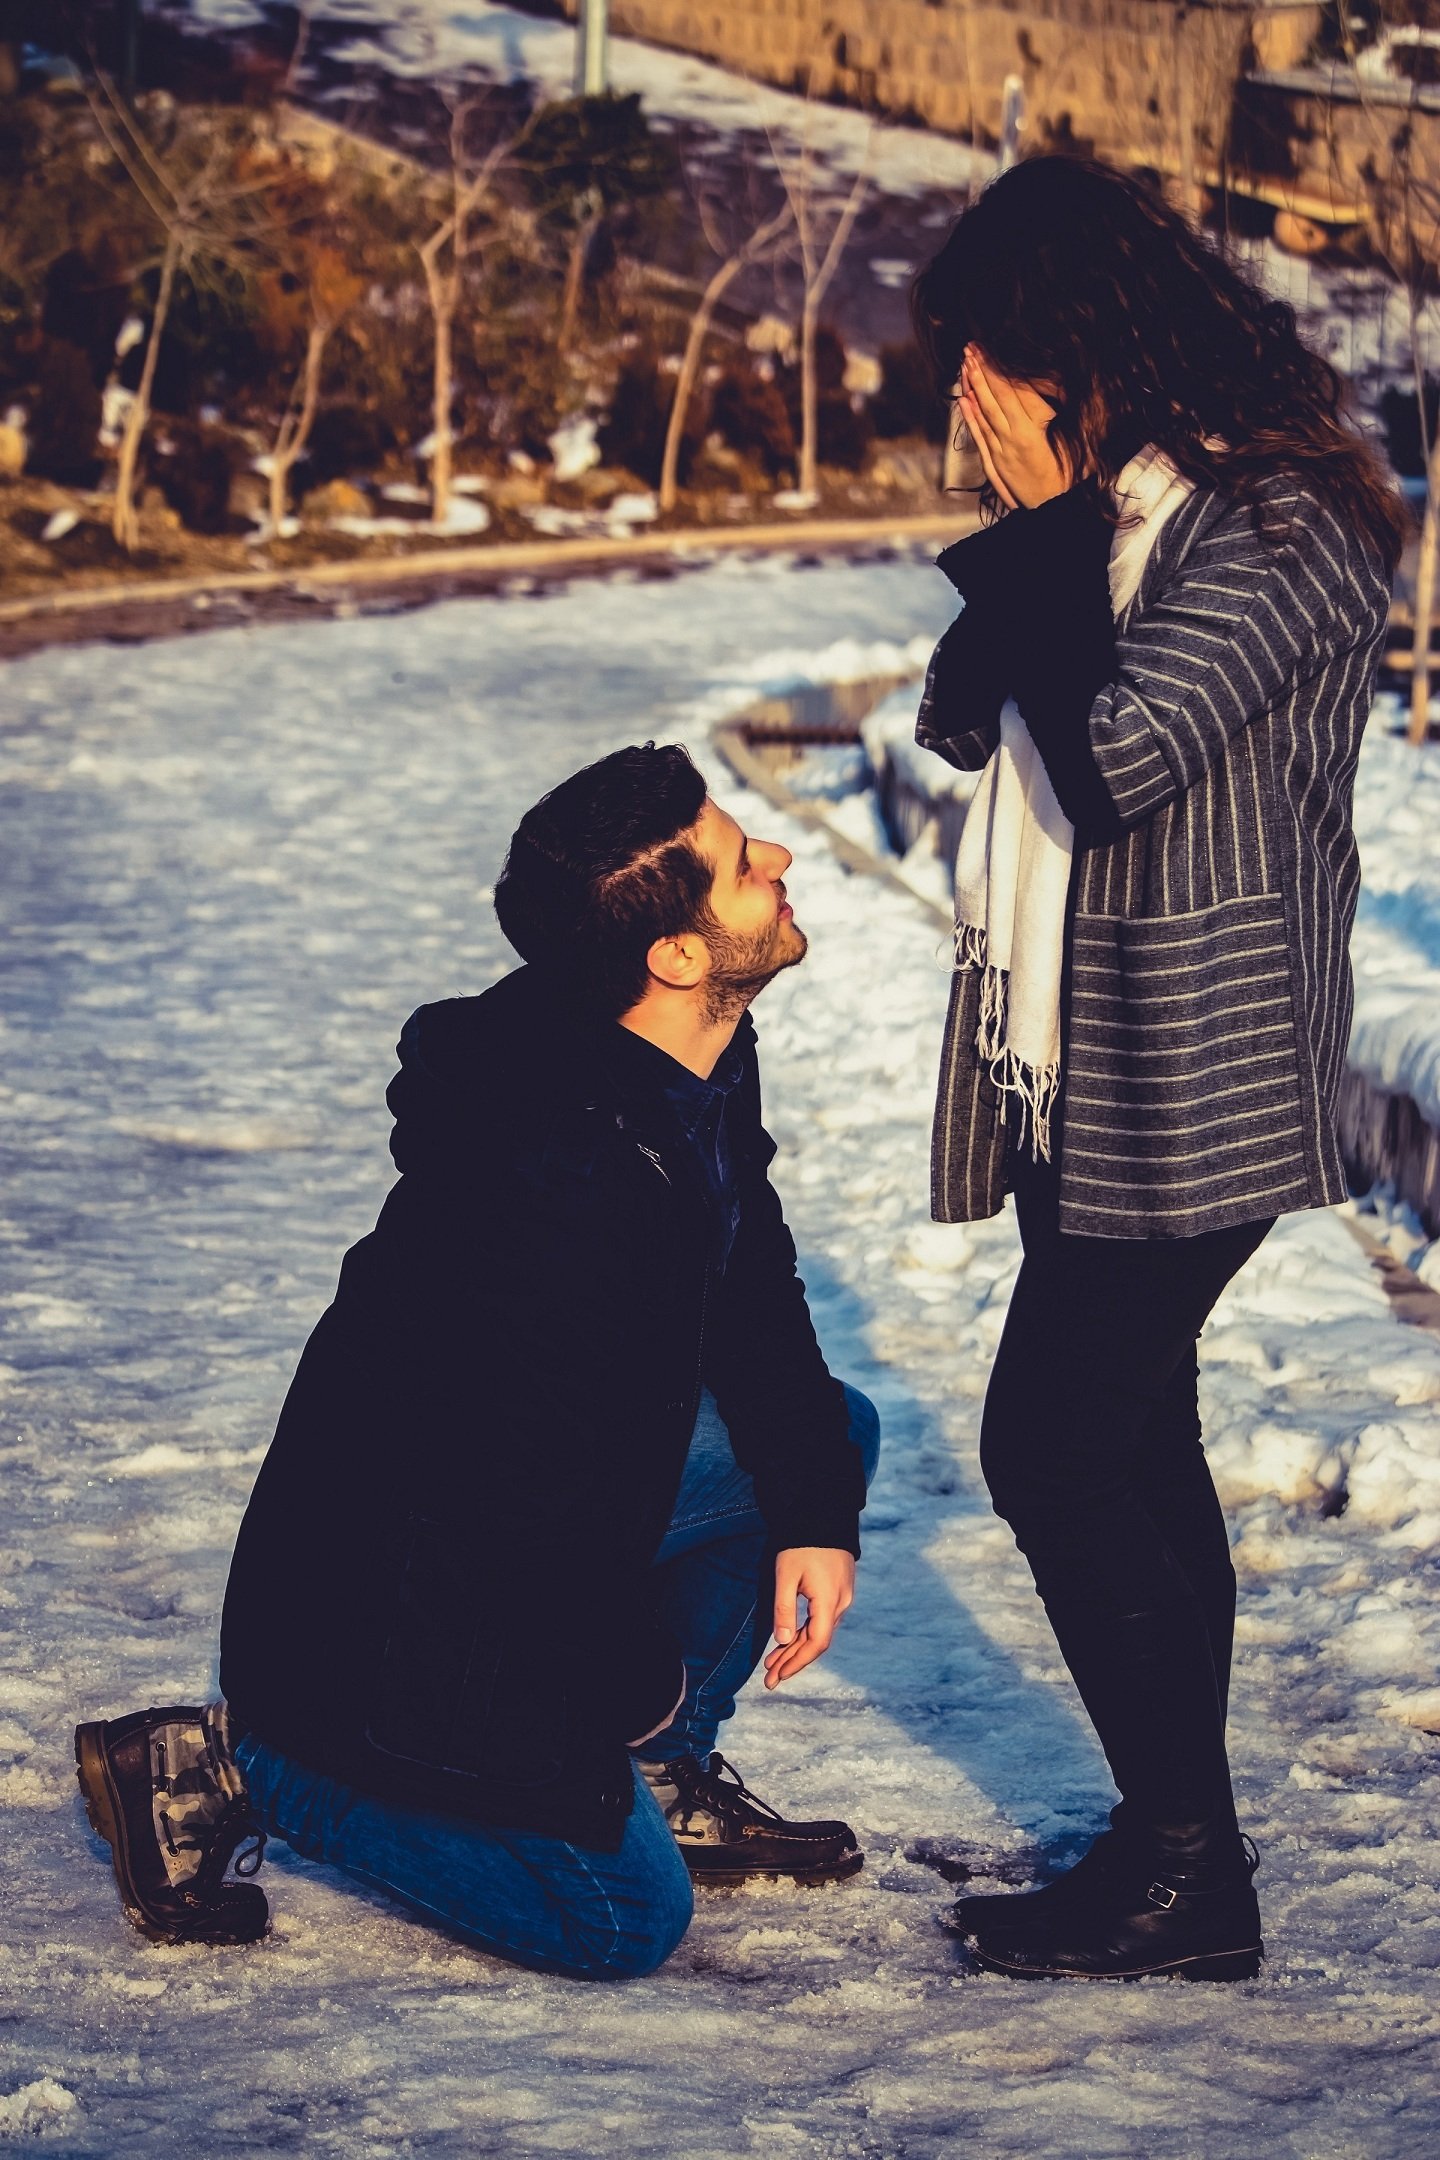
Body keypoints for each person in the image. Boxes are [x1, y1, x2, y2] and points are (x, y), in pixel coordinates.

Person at [75, 744, 880, 1977]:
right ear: (671, 957)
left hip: (529, 1527)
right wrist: (630, 1692)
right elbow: (503, 1526)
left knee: (826, 1435)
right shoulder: (554, 1189)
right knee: (621, 1926)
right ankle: (238, 1763)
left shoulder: (684, 1064)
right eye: (739, 865)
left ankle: (657, 1781)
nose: (778, 862)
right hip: (397, 1598)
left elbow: (752, 1288)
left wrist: (814, 1512)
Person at [909, 155, 1401, 1981]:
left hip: (1191, 1060)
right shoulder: (1128, 513)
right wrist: (1044, 535)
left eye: (987, 366)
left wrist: (1040, 545)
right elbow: (970, 711)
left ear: (1082, 347)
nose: (966, 405)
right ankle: (1175, 1854)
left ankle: (1190, 1864)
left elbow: (1111, 761)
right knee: (1130, 1436)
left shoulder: (1281, 530)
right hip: (1073, 1050)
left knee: (1049, 1439)